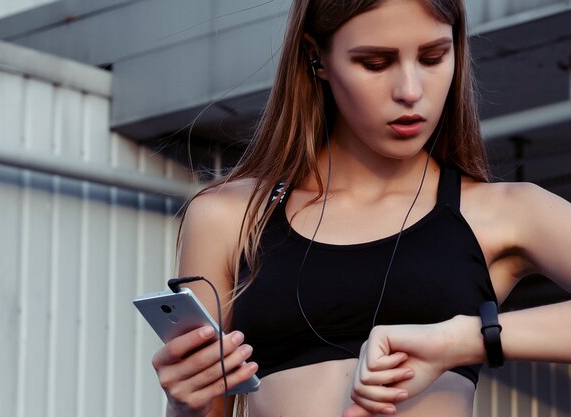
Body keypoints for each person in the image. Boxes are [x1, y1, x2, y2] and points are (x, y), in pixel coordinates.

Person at [151, 0, 571, 416]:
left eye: (433, 57)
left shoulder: (506, 213)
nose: (410, 91)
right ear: (316, 57)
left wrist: (465, 339)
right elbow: (207, 406)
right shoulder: (229, 217)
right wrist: (185, 406)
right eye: (375, 62)